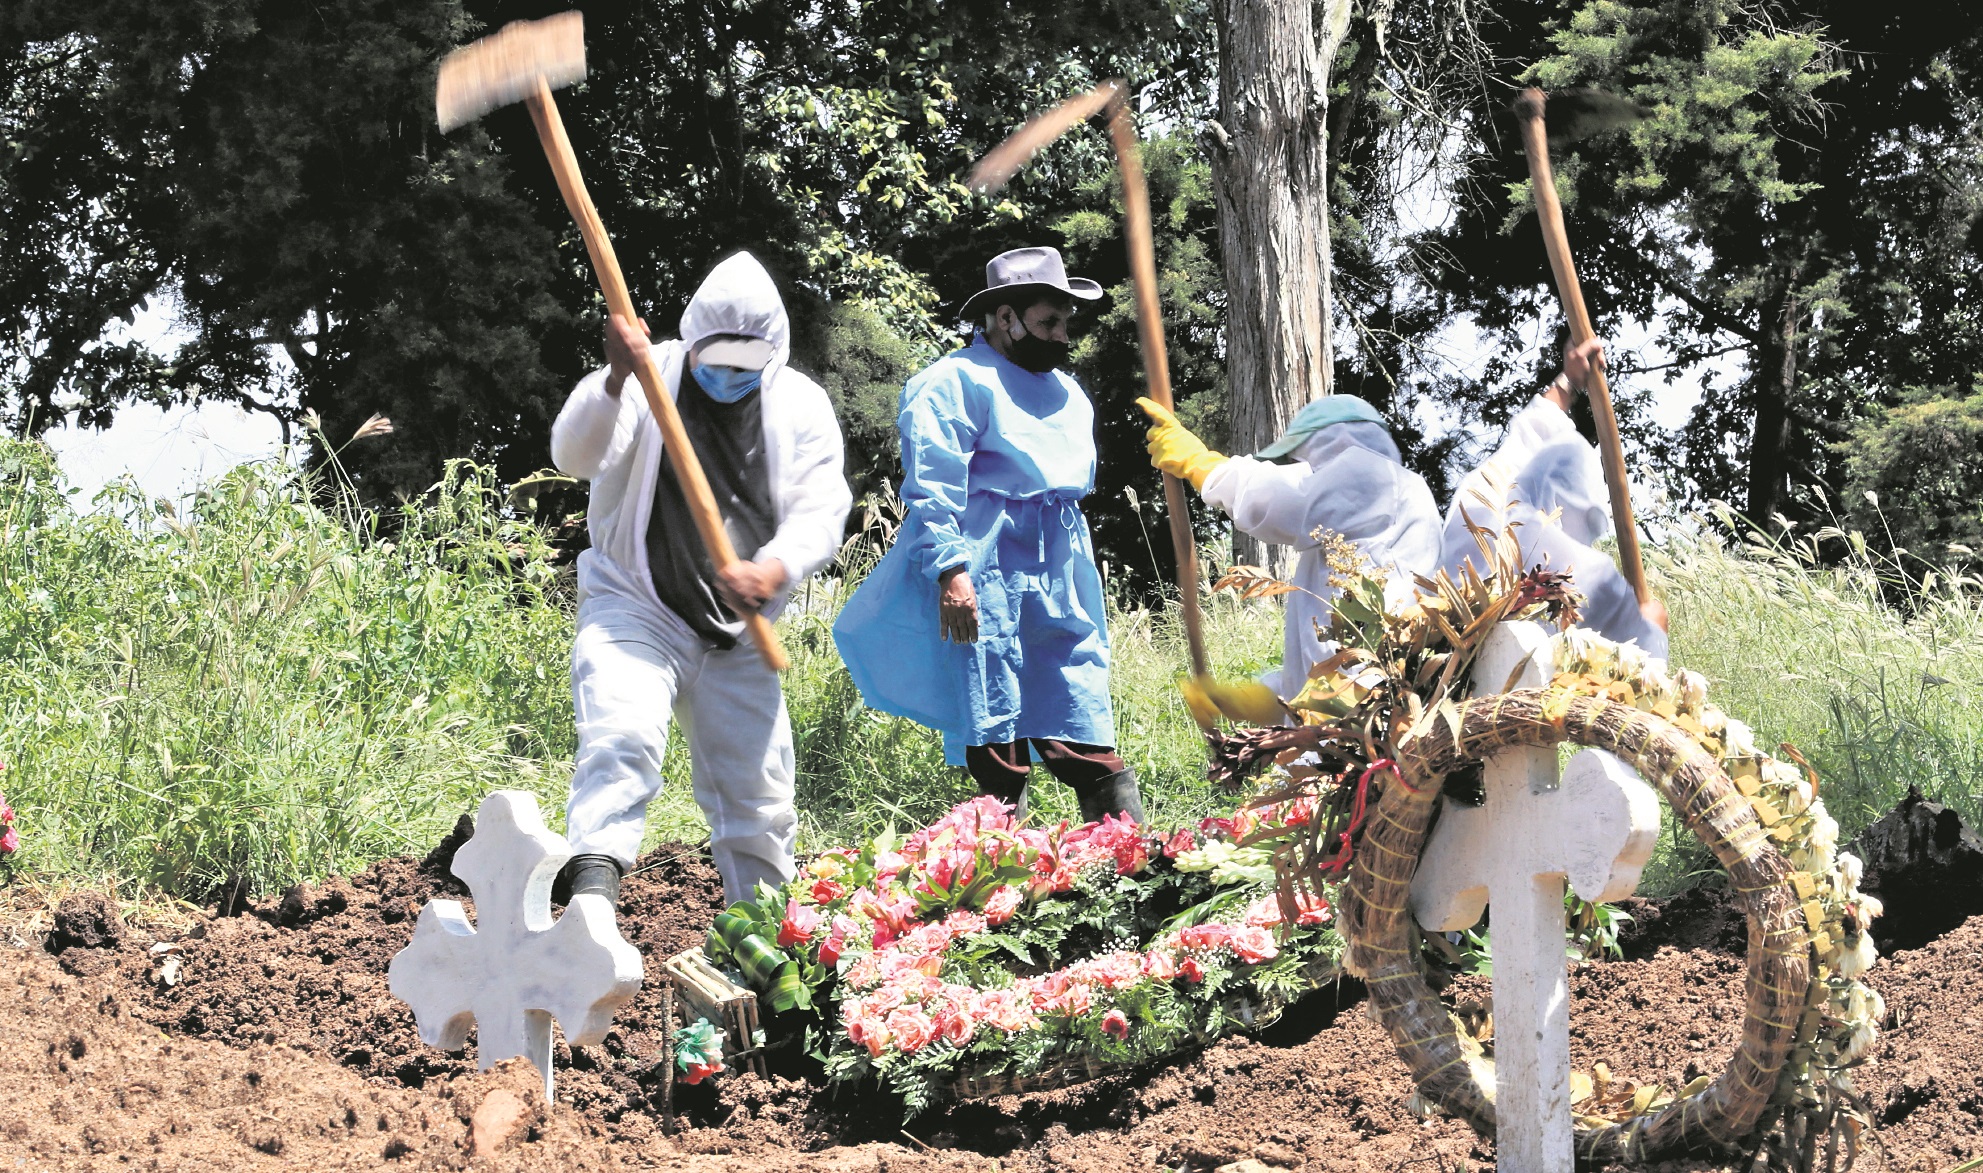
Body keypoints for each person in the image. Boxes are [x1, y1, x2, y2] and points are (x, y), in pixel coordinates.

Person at [550, 251, 851, 909]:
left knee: (760, 797)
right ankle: (591, 902)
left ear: (772, 357)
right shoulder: (646, 375)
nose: (727, 377)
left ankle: (766, 945)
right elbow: (574, 455)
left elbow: (822, 508)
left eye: (745, 368)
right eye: (715, 362)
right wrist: (611, 380)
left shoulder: (800, 404)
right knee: (621, 735)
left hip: (743, 628)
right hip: (637, 605)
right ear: (690, 344)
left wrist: (773, 565)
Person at [833, 246, 1143, 825]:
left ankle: (1132, 859)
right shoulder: (951, 382)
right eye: (1049, 322)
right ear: (1005, 317)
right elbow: (933, 482)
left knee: (1077, 717)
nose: (1061, 336)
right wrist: (952, 571)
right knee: (995, 718)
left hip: (1060, 562)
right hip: (987, 560)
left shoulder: (1070, 393)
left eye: (1065, 323)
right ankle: (1010, 873)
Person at [1139, 394, 1444, 699]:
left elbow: (1281, 497)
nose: (1301, 469)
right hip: (1355, 709)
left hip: (1369, 699)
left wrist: (1203, 465)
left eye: (1300, 457)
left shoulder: (1373, 476)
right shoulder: (1345, 535)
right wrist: (1251, 700)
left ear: (1334, 441)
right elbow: (1314, 666)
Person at [1441, 337, 1669, 658]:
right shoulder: (1586, 579)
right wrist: (1652, 624)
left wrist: (1569, 381)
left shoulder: (1488, 503)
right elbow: (1642, 656)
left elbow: (1531, 436)